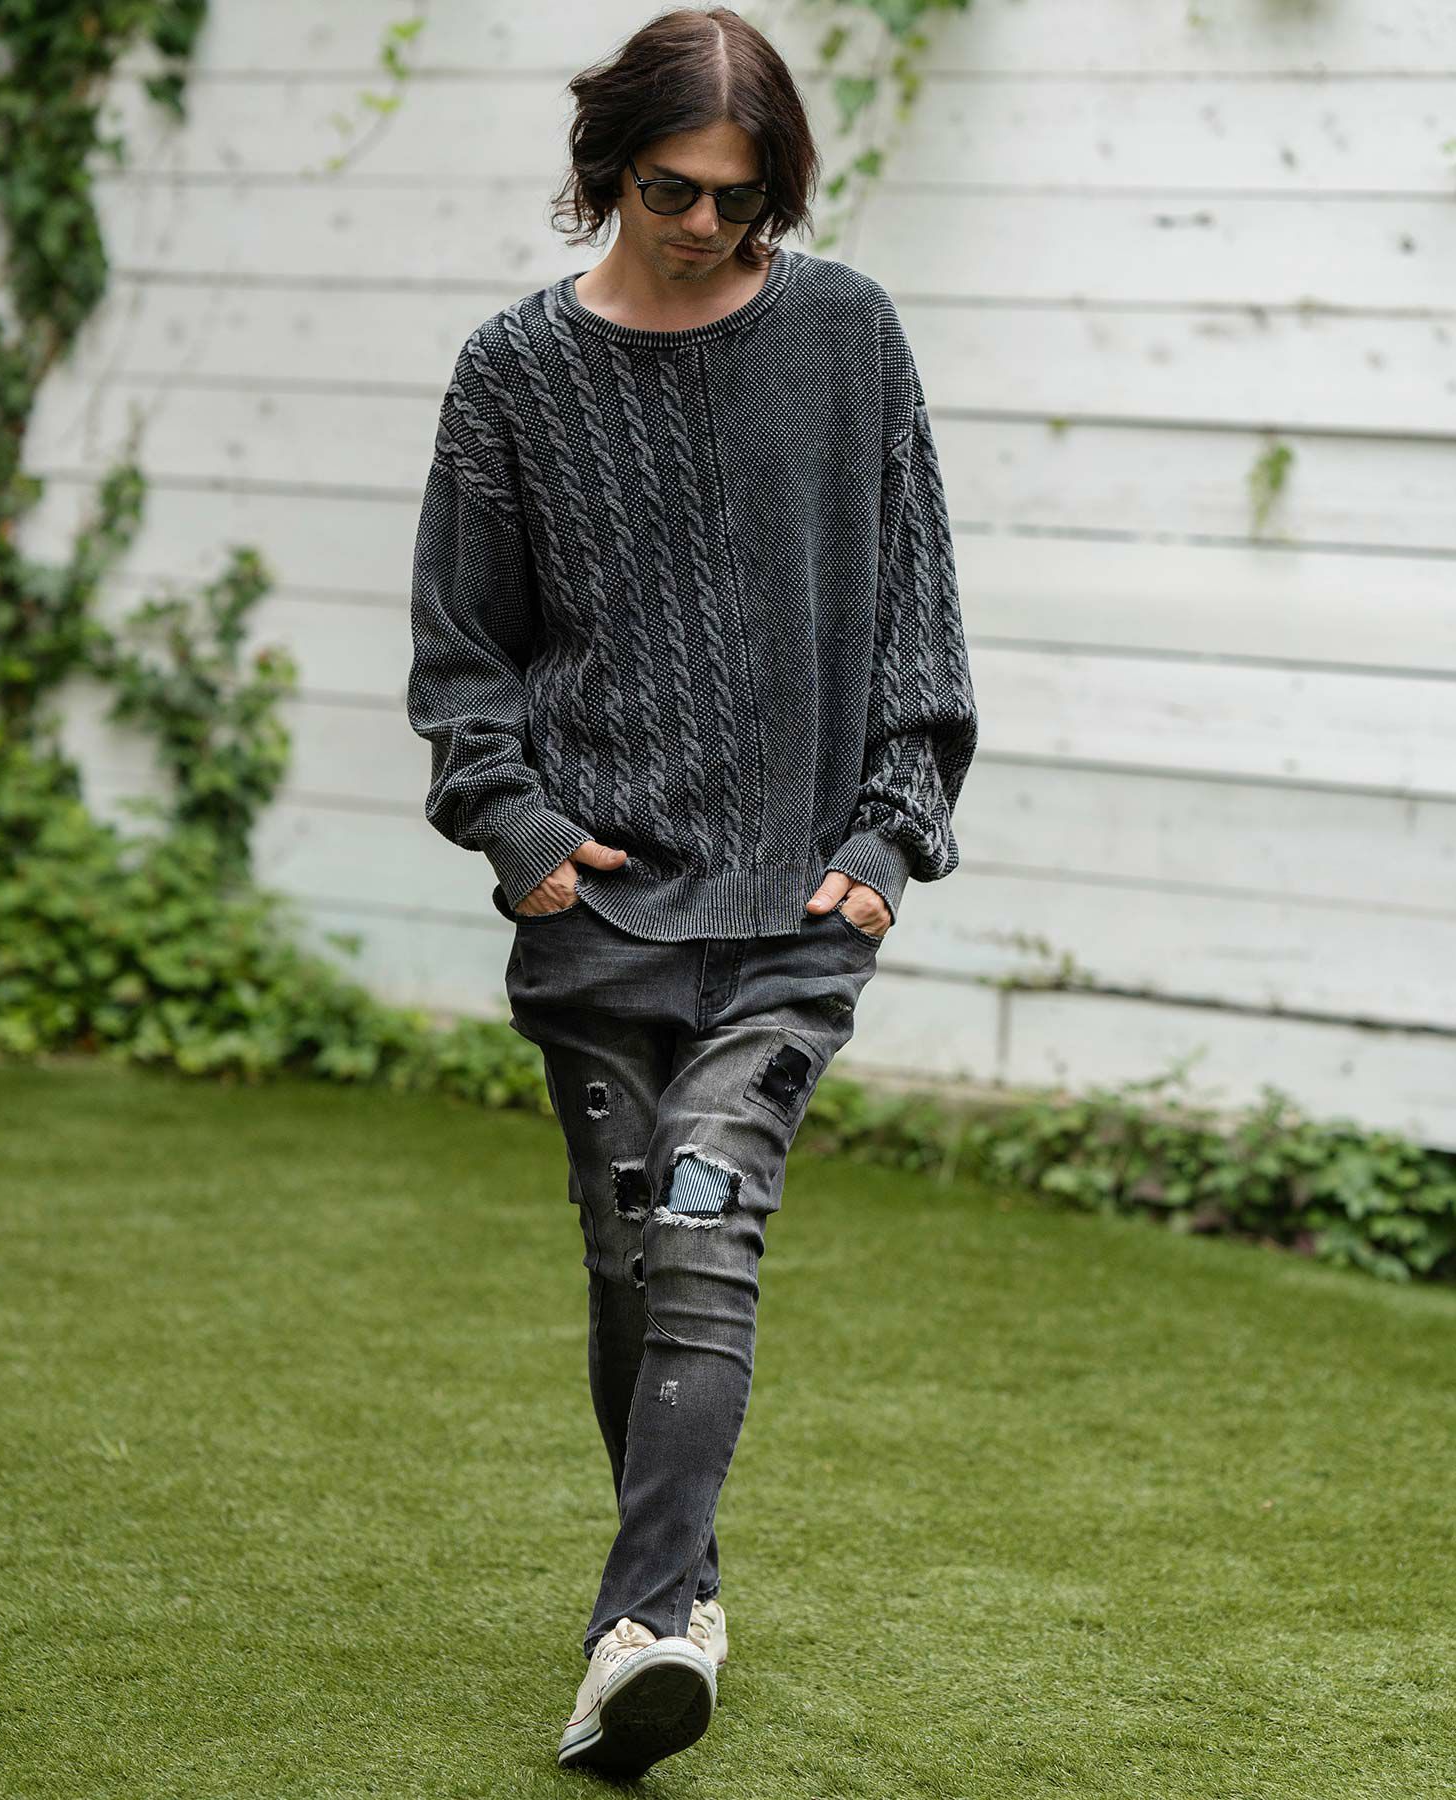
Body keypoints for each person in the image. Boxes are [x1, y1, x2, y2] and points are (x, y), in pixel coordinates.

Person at [405, 5, 977, 1778]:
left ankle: (640, 1627)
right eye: (672, 189)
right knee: (632, 1256)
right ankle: (685, 1599)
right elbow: (462, 652)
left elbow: (919, 605)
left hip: (798, 909)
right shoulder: (514, 373)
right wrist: (519, 837)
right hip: (597, 909)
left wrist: (888, 838)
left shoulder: (845, 336)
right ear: (608, 170)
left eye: (741, 194)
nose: (707, 224)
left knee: (706, 1226)